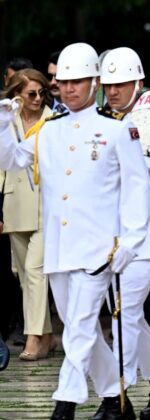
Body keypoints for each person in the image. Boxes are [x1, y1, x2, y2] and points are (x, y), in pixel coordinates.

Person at [0, 42, 150, 419]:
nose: (69, 89)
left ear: (95, 82)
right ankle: (117, 400)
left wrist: (131, 240)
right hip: (60, 248)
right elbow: (12, 160)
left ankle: (64, 404)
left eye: (78, 82)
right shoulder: (48, 130)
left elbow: (137, 189)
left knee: (80, 327)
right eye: (63, 83)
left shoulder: (115, 131)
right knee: (76, 327)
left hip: (98, 248)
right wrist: (5, 122)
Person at [97, 46, 150, 420]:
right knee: (127, 319)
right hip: (107, 238)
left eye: (121, 84)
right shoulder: (100, 122)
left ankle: (116, 398)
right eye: (108, 84)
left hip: (143, 235)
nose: (113, 91)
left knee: (124, 315)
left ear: (139, 83)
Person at [0, 69, 55, 362]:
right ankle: (46, 335)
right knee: (24, 276)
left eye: (41, 93)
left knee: (35, 271)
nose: (37, 99)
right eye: (31, 93)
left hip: (48, 204)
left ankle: (33, 338)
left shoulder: (55, 119)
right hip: (14, 202)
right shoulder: (4, 120)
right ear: (16, 94)